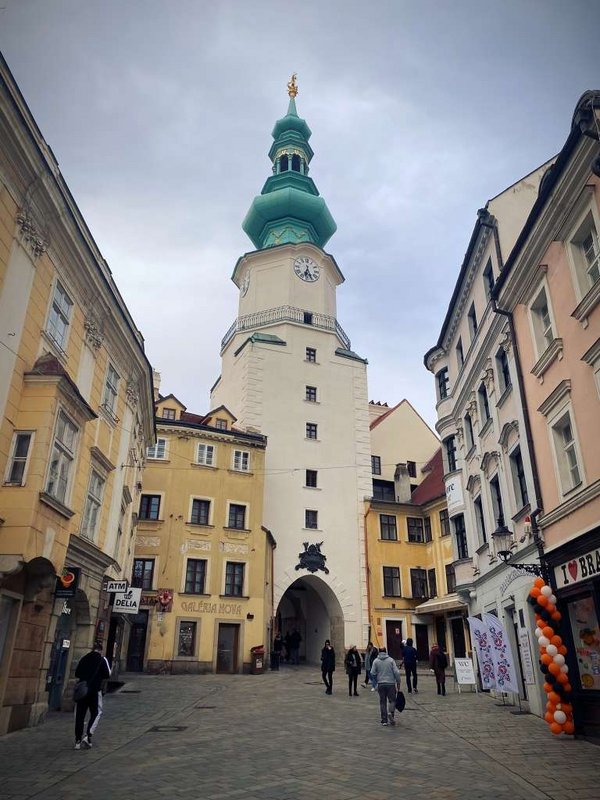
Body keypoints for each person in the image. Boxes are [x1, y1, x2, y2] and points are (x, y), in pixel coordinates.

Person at [74, 642, 111, 749]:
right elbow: (107, 674)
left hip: (82, 691)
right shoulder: (102, 659)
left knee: (79, 715)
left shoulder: (84, 658)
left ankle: (77, 740)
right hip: (95, 690)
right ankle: (88, 735)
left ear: (92, 649)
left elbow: (77, 673)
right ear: (100, 650)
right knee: (97, 712)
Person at [369, 646, 401, 726]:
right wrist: (398, 682)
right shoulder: (391, 660)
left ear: (379, 652)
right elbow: (396, 672)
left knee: (382, 702)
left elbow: (372, 672)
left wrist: (376, 680)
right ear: (386, 651)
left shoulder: (376, 661)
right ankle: (391, 713)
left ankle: (384, 720)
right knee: (392, 700)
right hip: (390, 683)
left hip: (381, 684)